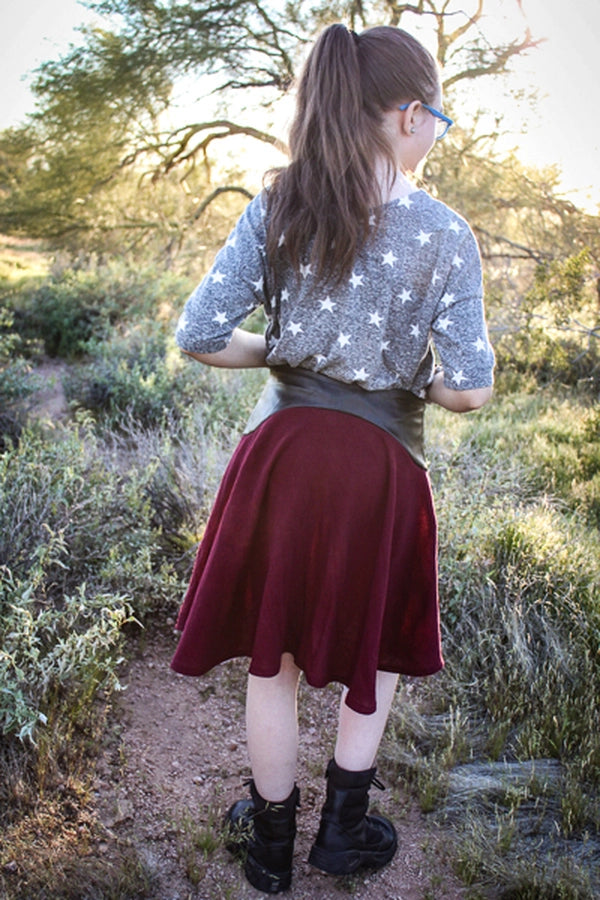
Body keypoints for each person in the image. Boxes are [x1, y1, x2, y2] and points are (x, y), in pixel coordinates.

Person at [171, 22, 494, 894]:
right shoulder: (445, 233)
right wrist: (398, 388)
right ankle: (342, 835)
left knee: (269, 657)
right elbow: (468, 389)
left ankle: (269, 847)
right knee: (376, 649)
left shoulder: (281, 201)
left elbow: (197, 335)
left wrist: (284, 357)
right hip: (382, 466)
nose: (439, 132)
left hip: (279, 455)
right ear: (405, 115)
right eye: (439, 116)